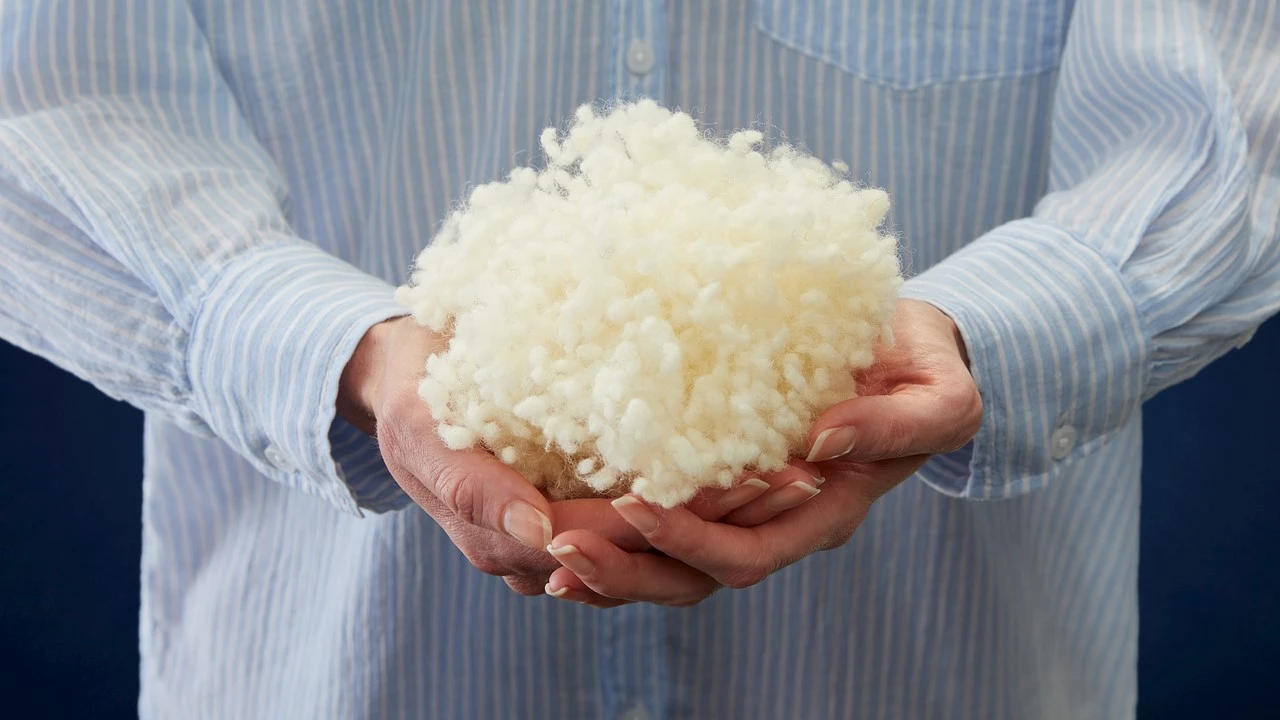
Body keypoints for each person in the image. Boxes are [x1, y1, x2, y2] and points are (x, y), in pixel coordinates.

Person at [1, 1, 1276, 717]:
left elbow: (1226, 112)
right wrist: (351, 359)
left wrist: (977, 335)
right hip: (330, 664)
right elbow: (51, 102)